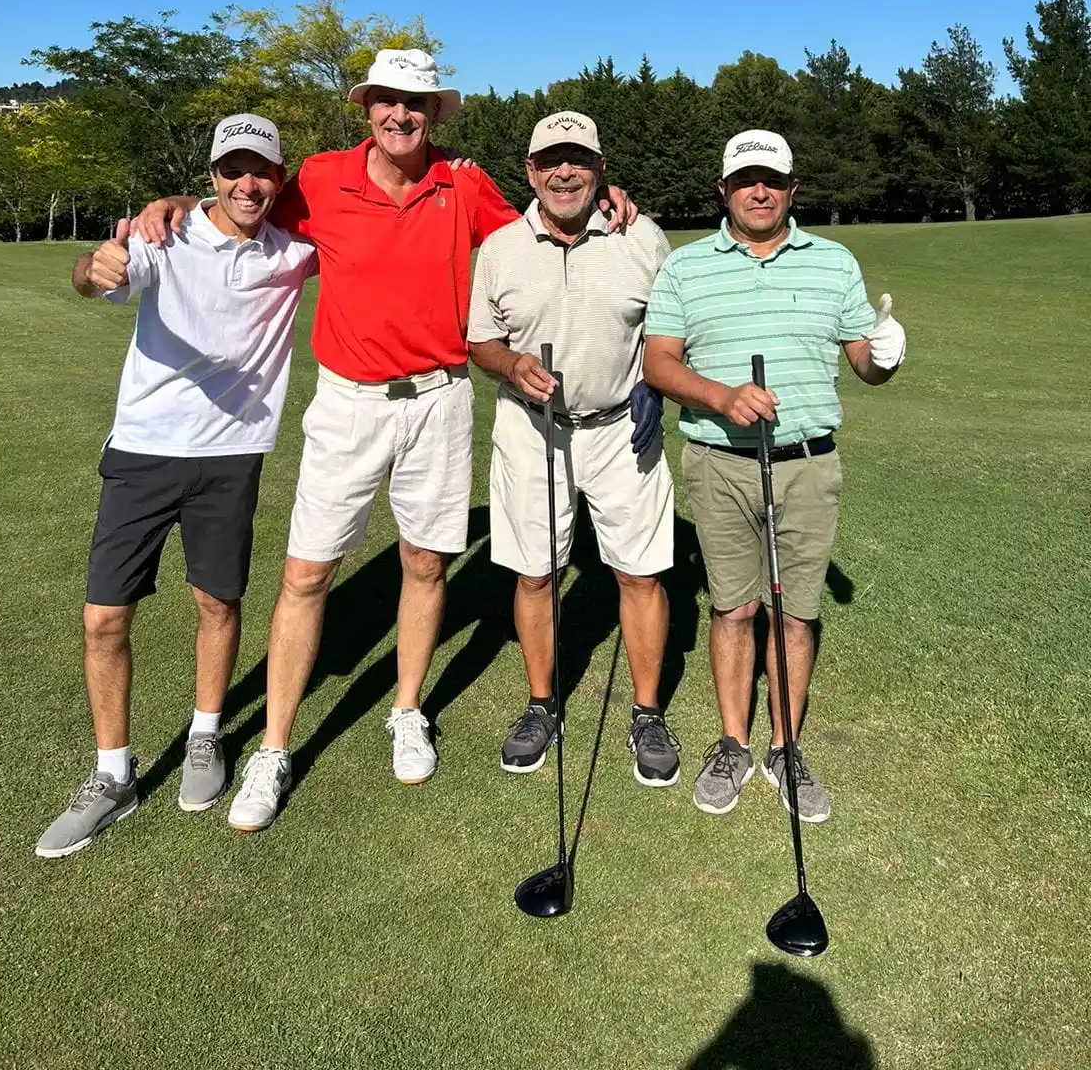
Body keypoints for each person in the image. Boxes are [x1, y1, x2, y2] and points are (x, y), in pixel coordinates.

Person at [132, 52, 635, 831]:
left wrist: (607, 199)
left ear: (433, 114)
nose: (400, 115)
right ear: (367, 109)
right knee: (305, 574)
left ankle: (406, 710)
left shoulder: (464, 184)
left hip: (438, 399)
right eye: (387, 102)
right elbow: (241, 204)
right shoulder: (323, 177)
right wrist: (172, 200)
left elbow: (542, 230)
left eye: (416, 104)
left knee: (426, 563)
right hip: (347, 405)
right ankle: (273, 747)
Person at [35, 115, 317, 857]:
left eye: (261, 170)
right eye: (232, 169)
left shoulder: (293, 251)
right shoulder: (164, 238)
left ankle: (204, 734)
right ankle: (112, 777)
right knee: (104, 618)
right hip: (143, 450)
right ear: (212, 176)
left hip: (234, 454)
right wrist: (93, 267)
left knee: (217, 601)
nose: (246, 183)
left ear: (279, 181)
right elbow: (101, 276)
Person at [642, 129, 905, 824]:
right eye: (746, 179)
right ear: (723, 189)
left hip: (808, 465)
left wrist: (886, 354)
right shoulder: (686, 267)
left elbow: (865, 363)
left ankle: (784, 747)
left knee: (796, 613)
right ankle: (732, 743)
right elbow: (659, 363)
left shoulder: (833, 261)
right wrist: (721, 397)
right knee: (733, 608)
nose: (760, 191)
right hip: (719, 461)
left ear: (792, 189)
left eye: (773, 180)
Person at [467, 111, 681, 785]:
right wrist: (510, 367)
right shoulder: (501, 248)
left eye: (579, 160)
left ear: (600, 170)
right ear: (530, 172)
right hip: (533, 432)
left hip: (622, 428)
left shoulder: (641, 237)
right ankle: (541, 704)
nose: (565, 173)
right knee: (535, 574)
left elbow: (670, 329)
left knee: (640, 573)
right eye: (551, 161)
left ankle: (647, 713)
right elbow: (480, 342)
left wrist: (655, 384)